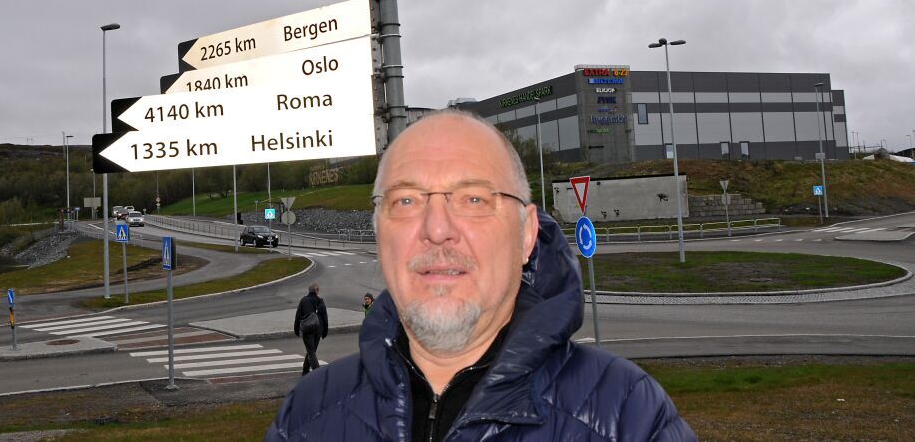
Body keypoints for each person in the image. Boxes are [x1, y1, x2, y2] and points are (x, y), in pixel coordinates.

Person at [267, 110, 695, 441]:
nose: (436, 229)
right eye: (406, 201)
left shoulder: (627, 415)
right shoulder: (305, 415)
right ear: (379, 235)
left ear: (526, 234)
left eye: (473, 198)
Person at [292, 282, 328, 375]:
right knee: (312, 351)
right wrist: (325, 331)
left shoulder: (304, 300)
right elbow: (325, 317)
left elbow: (298, 315)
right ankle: (308, 370)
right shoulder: (320, 301)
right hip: (318, 329)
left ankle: (314, 372)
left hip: (308, 329)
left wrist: (296, 329)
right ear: (316, 291)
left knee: (311, 351)